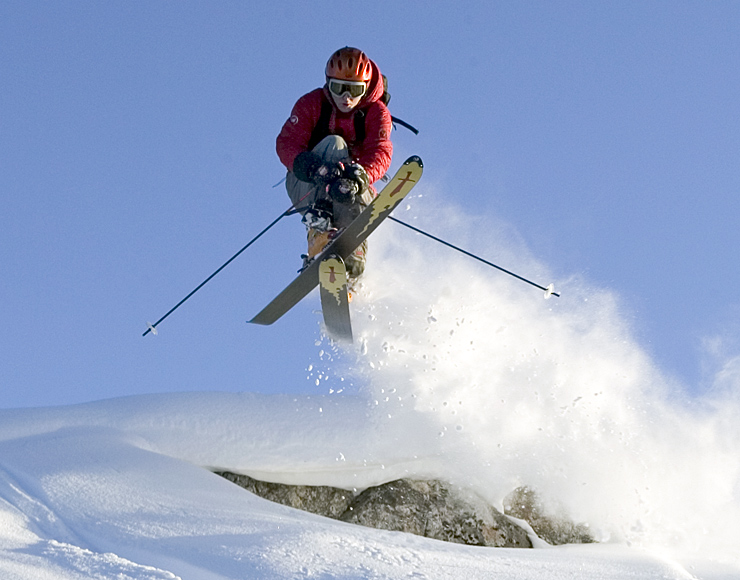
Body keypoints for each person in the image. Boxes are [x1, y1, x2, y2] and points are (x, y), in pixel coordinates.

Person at [276, 47, 393, 280]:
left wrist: (359, 177)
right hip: (307, 186)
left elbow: (380, 151)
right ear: (328, 83)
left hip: (351, 190)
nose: (346, 97)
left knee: (357, 188)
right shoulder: (312, 104)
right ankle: (319, 233)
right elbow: (287, 142)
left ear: (367, 87)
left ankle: (351, 262)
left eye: (355, 90)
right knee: (334, 144)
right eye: (338, 88)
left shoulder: (375, 113)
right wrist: (312, 167)